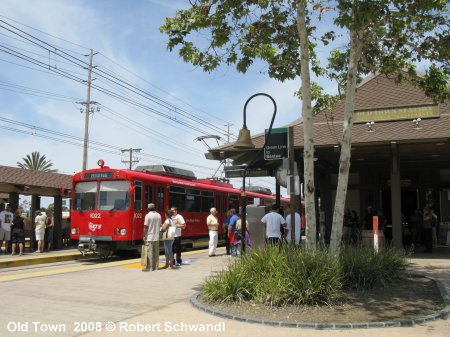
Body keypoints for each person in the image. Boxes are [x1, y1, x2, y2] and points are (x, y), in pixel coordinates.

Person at [143, 203, 161, 271]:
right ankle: (156, 267)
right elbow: (160, 225)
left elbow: (146, 227)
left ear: (148, 209)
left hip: (150, 237)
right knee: (156, 253)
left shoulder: (148, 216)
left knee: (150, 253)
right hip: (157, 236)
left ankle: (150, 267)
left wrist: (144, 235)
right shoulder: (158, 215)